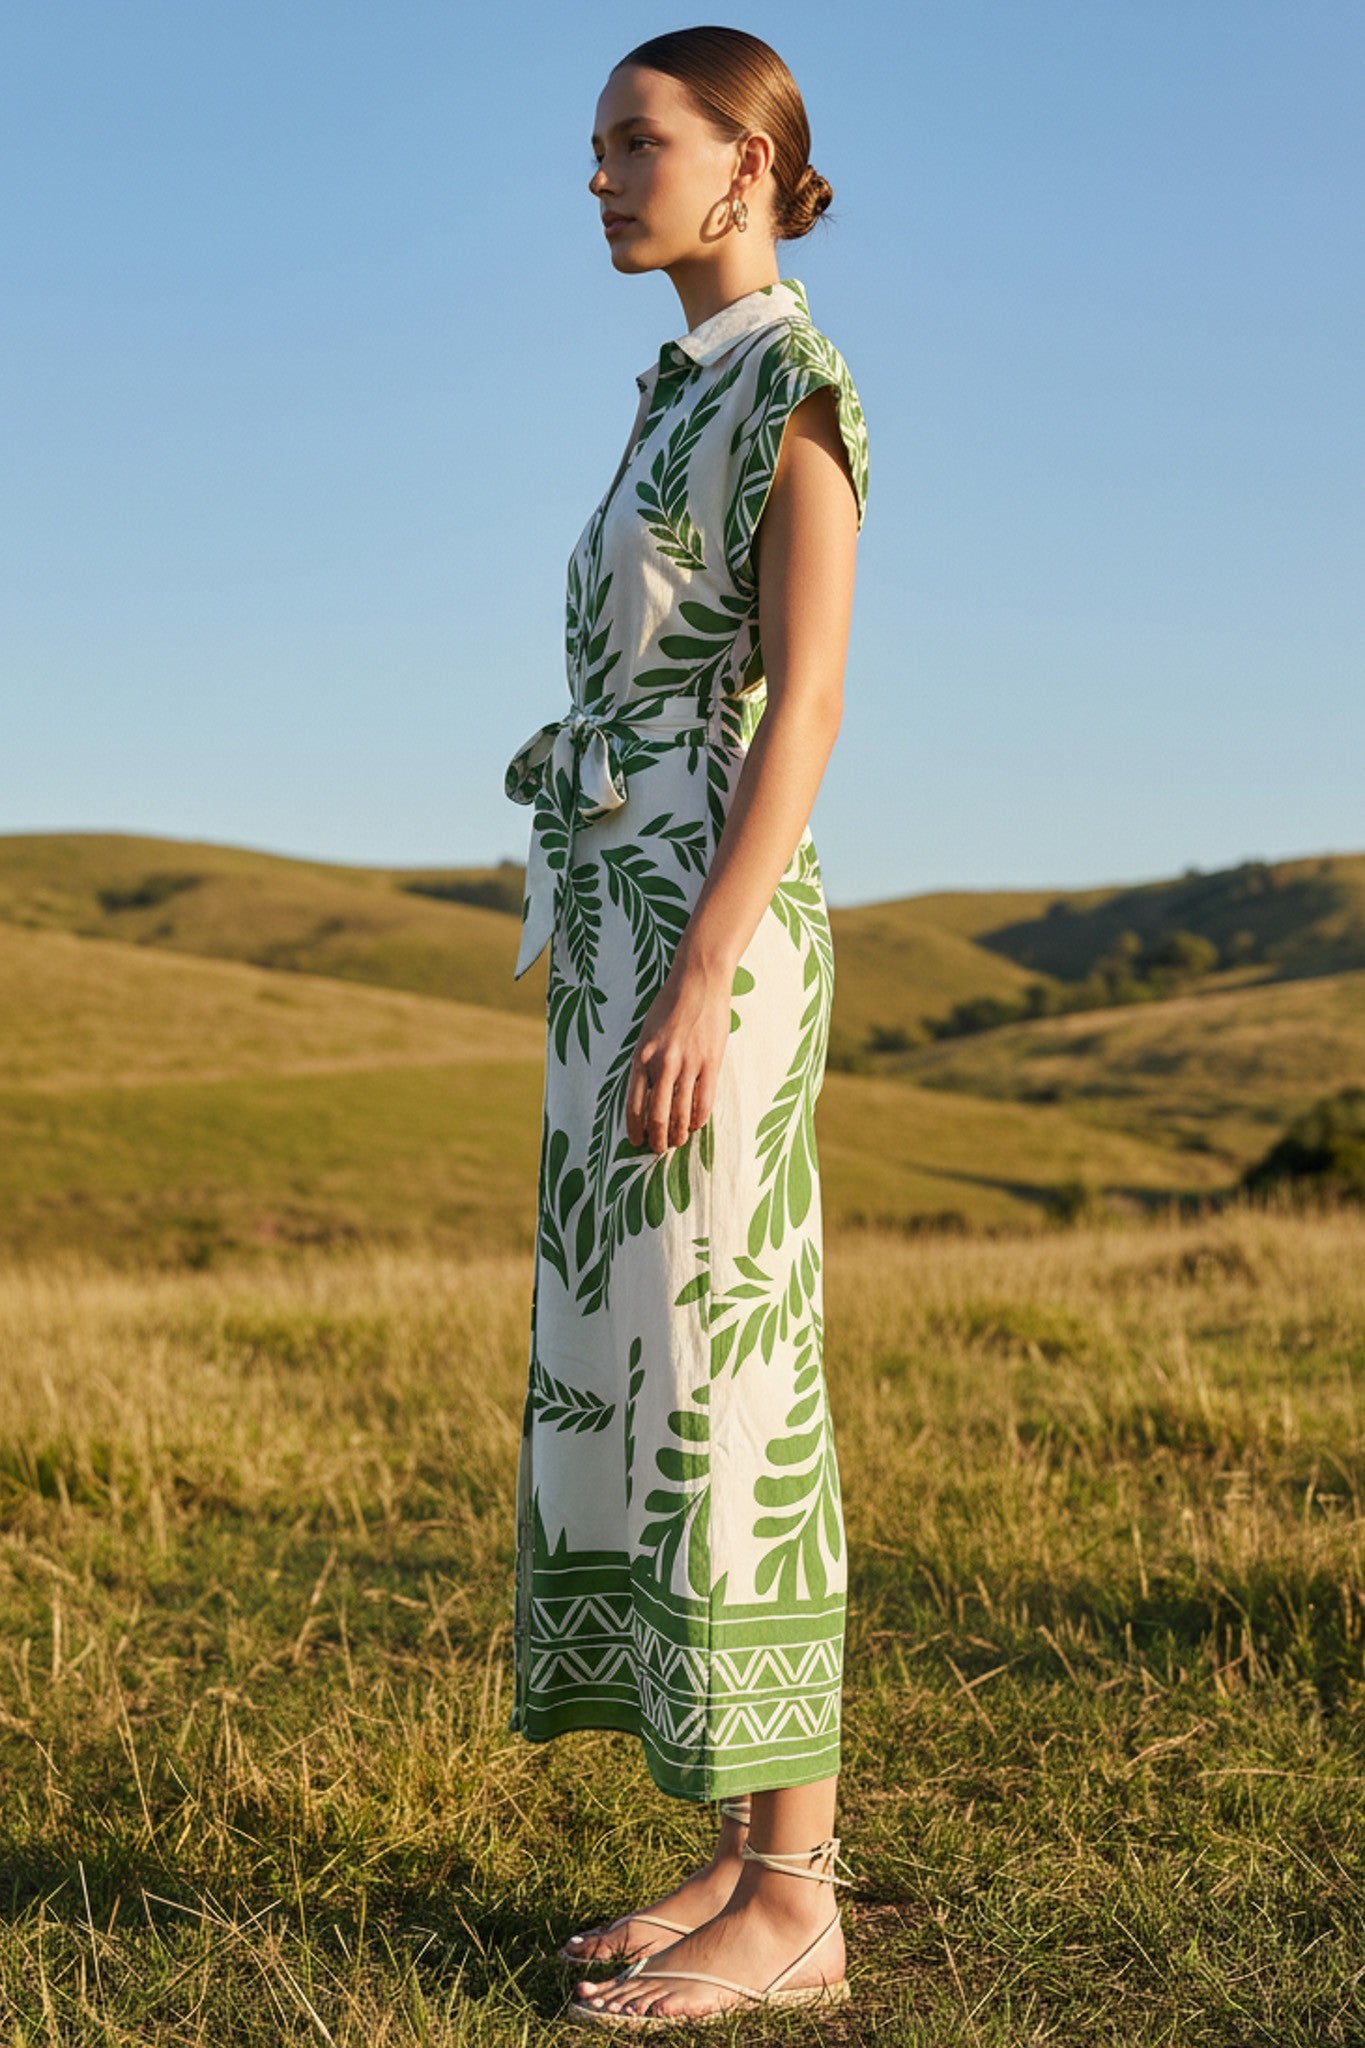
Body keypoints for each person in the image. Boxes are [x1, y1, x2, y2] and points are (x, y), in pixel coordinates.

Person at [502, 24, 870, 2028]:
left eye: (635, 142)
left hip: (705, 931)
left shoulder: (792, 382)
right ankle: (737, 1857)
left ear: (748, 161)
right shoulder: (680, 386)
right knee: (653, 1368)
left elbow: (803, 698)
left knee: (732, 1374)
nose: (599, 176)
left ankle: (798, 1898)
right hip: (626, 921)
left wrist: (707, 965)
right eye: (594, 144)